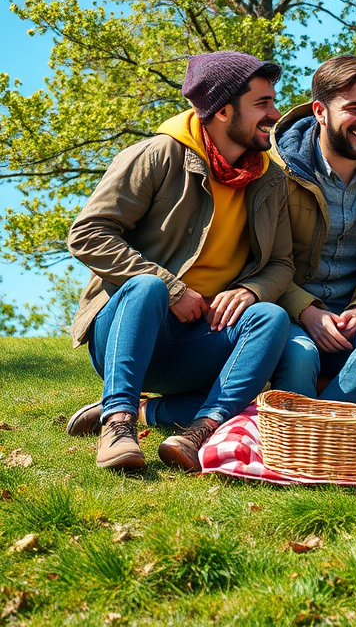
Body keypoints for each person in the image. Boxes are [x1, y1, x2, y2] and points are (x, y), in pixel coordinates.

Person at [65, 51, 294, 472]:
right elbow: (87, 233)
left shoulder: (270, 178)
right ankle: (117, 424)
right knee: (149, 286)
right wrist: (173, 289)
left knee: (270, 316)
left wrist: (250, 290)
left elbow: (280, 264)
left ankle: (197, 429)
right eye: (262, 104)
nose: (275, 113)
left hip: (199, 340)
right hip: (130, 329)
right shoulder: (156, 155)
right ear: (223, 110)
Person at [269, 55, 356, 401]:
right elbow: (259, 261)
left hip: (355, 322)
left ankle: (325, 422)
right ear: (320, 111)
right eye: (354, 108)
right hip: (291, 317)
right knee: (301, 354)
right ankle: (309, 433)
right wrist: (308, 312)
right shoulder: (275, 172)